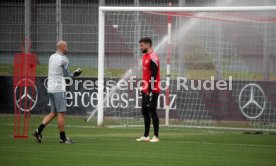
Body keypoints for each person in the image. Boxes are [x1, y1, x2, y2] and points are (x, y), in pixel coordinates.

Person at [33, 40, 82, 144]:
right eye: (66, 47)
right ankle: (62, 138)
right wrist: (75, 74)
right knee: (61, 113)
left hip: (50, 87)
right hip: (59, 88)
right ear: (63, 47)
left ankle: (38, 131)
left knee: (53, 112)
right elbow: (66, 75)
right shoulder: (64, 59)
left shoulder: (51, 57)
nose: (67, 49)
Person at [136, 37, 160, 143]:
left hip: (153, 89)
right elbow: (146, 74)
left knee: (152, 111)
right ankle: (146, 136)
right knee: (144, 111)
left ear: (148, 45)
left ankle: (156, 136)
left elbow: (154, 75)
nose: (140, 47)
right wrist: (143, 86)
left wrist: (149, 90)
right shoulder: (144, 56)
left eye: (142, 45)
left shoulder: (153, 57)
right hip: (146, 88)